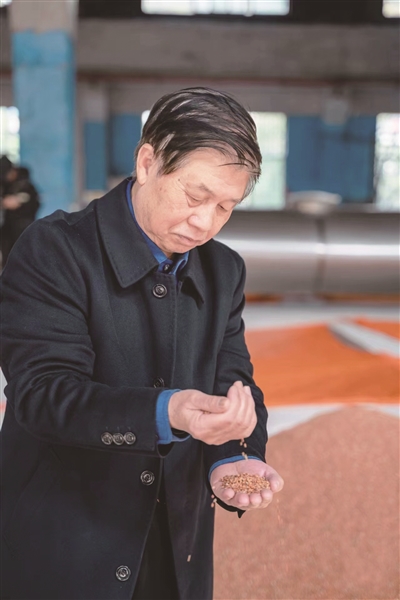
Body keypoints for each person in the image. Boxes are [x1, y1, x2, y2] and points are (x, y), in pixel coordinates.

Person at [0, 87, 284, 600]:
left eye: (225, 207)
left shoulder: (223, 270)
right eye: (194, 197)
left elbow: (233, 380)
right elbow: (43, 394)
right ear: (148, 162)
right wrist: (167, 411)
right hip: (68, 542)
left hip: (176, 545)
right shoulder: (55, 251)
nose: (205, 222)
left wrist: (232, 456)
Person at [0, 161, 40, 268]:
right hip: (7, 230)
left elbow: (33, 203)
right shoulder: (5, 185)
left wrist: (17, 201)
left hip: (23, 228)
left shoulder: (26, 186)